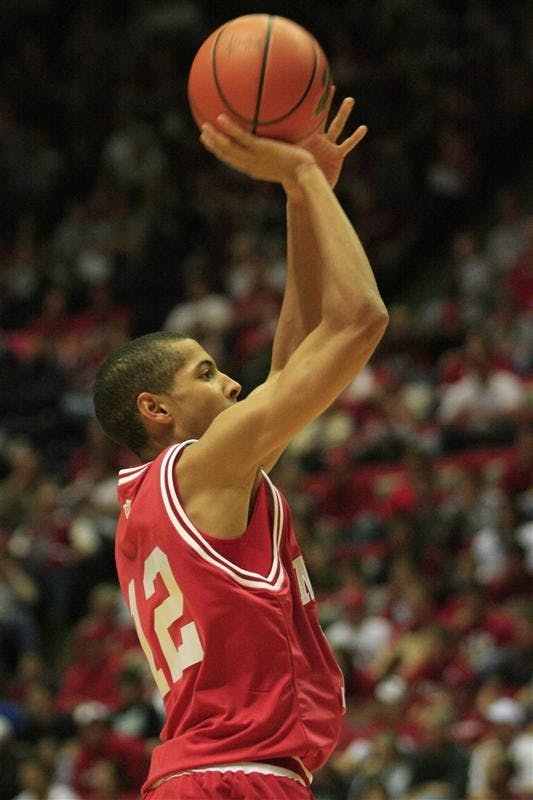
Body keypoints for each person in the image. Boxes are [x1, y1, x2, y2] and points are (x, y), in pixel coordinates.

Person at [92, 97, 388, 800]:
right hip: (237, 780)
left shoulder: (167, 495)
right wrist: (304, 177)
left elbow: (289, 368)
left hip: (205, 776)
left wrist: (298, 195)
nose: (229, 381)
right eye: (203, 372)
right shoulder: (203, 469)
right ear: (154, 408)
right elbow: (358, 321)